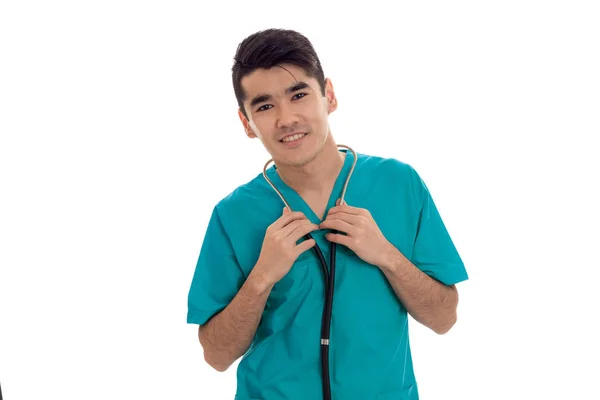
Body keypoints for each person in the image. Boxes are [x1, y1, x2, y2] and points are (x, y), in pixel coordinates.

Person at [187, 28, 469, 400]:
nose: (286, 119)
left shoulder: (400, 184)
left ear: (329, 96)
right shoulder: (232, 215)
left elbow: (444, 318)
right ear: (247, 124)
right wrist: (261, 277)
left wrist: (386, 255)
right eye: (265, 106)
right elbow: (216, 355)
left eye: (299, 95)